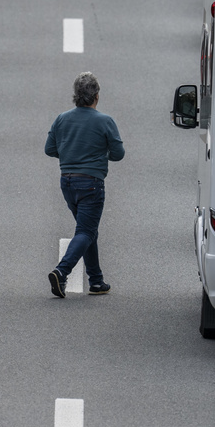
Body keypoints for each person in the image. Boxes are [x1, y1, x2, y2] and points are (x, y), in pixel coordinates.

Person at [45, 72, 125, 297]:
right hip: (91, 183)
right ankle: (62, 271)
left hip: (67, 182)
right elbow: (118, 154)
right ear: (96, 96)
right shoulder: (105, 121)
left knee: (88, 230)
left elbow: (49, 149)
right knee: (86, 231)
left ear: (76, 96)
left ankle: (96, 281)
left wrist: (71, 152)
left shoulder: (61, 119)